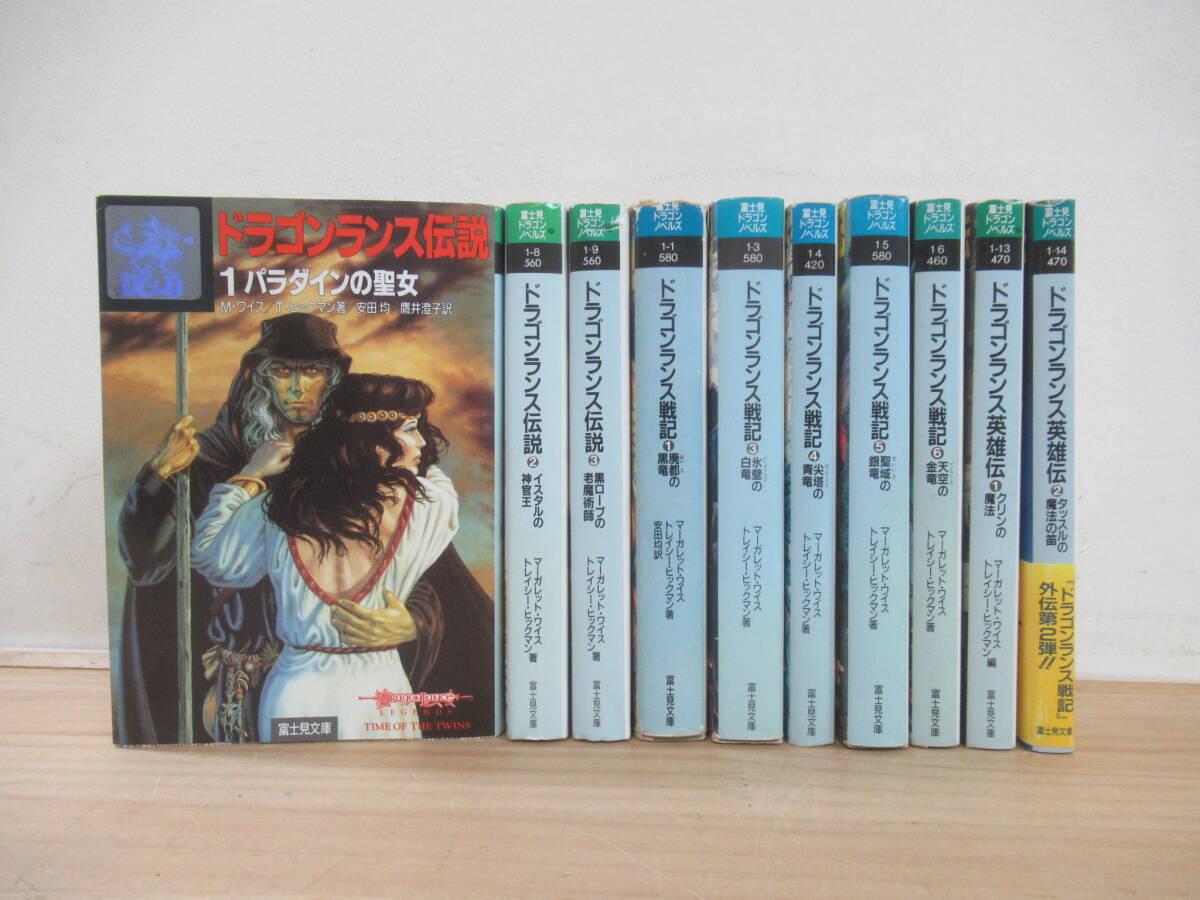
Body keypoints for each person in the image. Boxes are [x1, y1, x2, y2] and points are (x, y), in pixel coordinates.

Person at [191, 374, 492, 741]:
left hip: (297, 691)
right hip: (381, 691)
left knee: (302, 774)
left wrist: (250, 474)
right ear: (372, 440)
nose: (421, 442)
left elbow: (213, 560)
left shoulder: (277, 507)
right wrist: (419, 462)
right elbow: (438, 480)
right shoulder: (432, 506)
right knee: (387, 773)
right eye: (411, 429)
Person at [114, 313, 351, 744]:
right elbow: (145, 562)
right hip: (239, 671)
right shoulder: (209, 459)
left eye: (312, 371)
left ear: (332, 379)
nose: (297, 387)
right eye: (282, 371)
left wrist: (409, 622)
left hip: (331, 666)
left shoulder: (355, 461)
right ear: (259, 377)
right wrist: (159, 475)